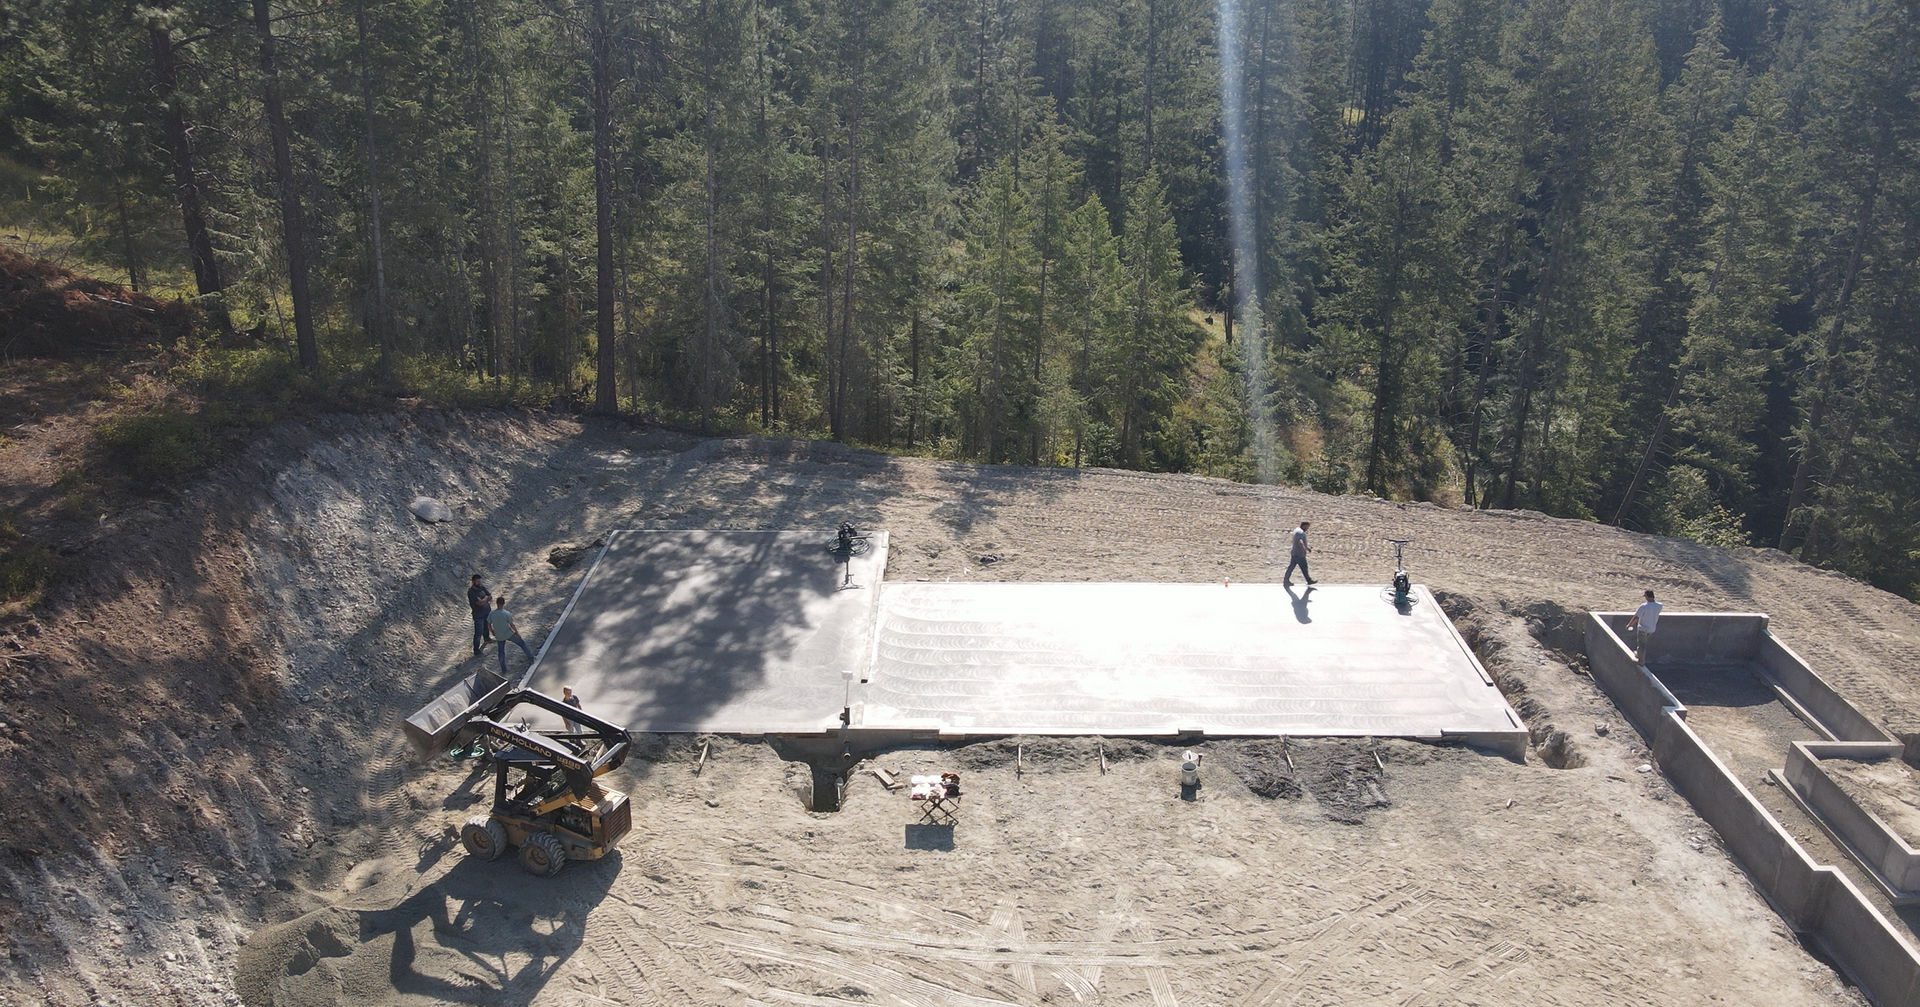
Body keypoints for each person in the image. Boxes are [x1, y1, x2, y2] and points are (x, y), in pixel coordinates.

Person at [488, 597, 536, 675]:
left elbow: (489, 624)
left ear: (496, 603)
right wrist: (516, 632)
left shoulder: (492, 613)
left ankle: (503, 669)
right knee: (522, 643)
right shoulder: (506, 613)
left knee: (501, 652)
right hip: (508, 633)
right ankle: (530, 657)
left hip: (499, 635)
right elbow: (512, 624)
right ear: (503, 603)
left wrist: (492, 631)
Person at [1626, 589, 1662, 665]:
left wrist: (1629, 625)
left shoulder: (1644, 606)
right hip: (1652, 629)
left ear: (1647, 596)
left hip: (1643, 628)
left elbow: (1636, 617)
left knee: (1641, 644)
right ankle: (1638, 654)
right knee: (1643, 642)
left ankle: (1641, 661)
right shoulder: (1659, 606)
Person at [1283, 520, 1316, 587]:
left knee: (1291, 567)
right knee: (1304, 567)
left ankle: (1286, 580)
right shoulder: (1300, 532)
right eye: (1307, 527)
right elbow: (1300, 541)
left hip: (1294, 552)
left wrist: (1307, 547)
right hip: (1299, 554)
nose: (1307, 529)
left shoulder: (1297, 530)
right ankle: (1308, 580)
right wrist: (1304, 549)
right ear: (1304, 526)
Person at [467, 574, 494, 656]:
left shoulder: (481, 587)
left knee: (486, 627)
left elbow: (490, 596)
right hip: (478, 615)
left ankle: (487, 639)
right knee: (478, 633)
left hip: (486, 612)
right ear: (473, 581)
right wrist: (485, 598)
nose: (479, 583)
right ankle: (476, 650)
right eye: (477, 581)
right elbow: (480, 603)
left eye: (480, 581)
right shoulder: (471, 592)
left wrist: (485, 599)